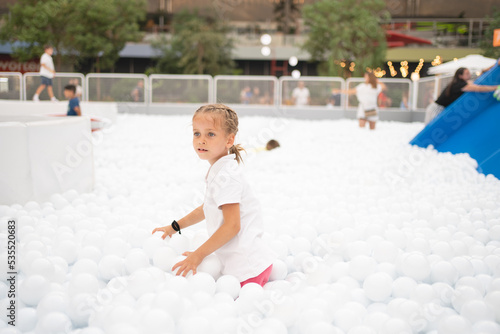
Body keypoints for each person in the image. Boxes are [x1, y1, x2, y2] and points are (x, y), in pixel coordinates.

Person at [152, 104, 276, 288]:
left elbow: (232, 226)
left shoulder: (227, 176)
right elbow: (207, 208)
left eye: (210, 134)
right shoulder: (220, 170)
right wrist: (174, 227)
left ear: (229, 140)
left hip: (248, 271)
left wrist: (198, 255)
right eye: (196, 133)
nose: (201, 140)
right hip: (249, 265)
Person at [424, 67, 499, 124]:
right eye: (467, 73)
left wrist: (487, 69)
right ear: (460, 76)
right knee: (429, 128)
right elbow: (479, 88)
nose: (469, 75)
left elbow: (477, 82)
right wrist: (496, 87)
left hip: (439, 108)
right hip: (436, 108)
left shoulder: (461, 83)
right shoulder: (459, 85)